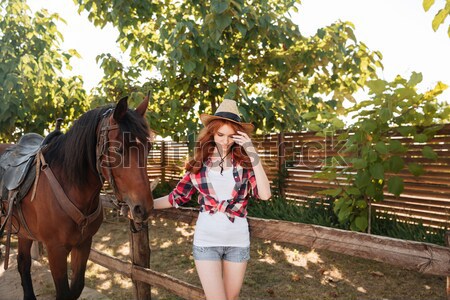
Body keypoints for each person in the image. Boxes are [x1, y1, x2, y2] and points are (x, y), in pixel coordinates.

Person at [153, 99, 271, 300]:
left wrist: (253, 154)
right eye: (220, 134)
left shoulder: (245, 164)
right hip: (207, 241)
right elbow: (177, 197)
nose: (225, 141)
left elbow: (265, 194)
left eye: (231, 136)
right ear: (212, 133)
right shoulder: (199, 164)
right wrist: (146, 205)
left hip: (238, 241)